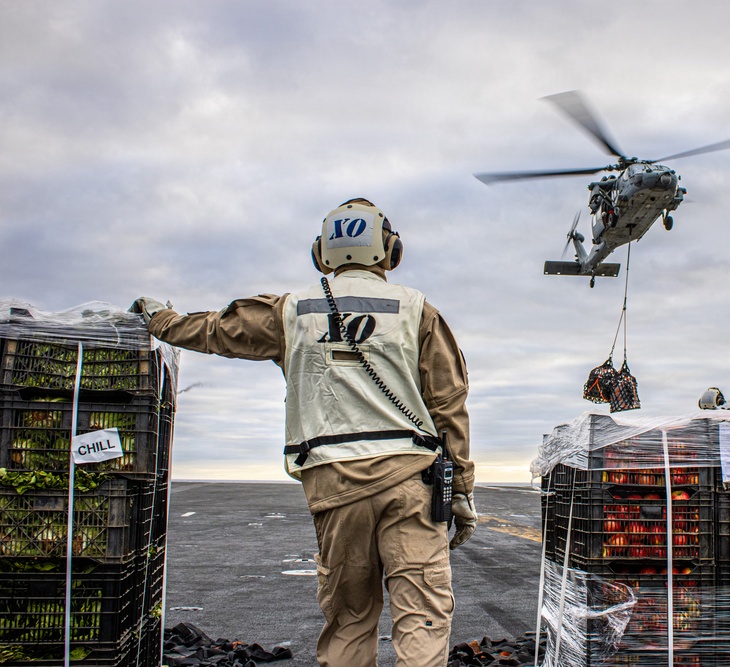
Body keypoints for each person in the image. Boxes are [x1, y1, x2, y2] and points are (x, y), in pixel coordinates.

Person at [132, 198, 476, 667]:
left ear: (322, 254)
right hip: (412, 480)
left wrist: (160, 319)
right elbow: (448, 407)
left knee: (350, 618)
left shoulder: (290, 311)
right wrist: (462, 494)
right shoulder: (418, 310)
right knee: (422, 614)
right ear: (390, 250)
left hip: (333, 485)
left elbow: (215, 330)